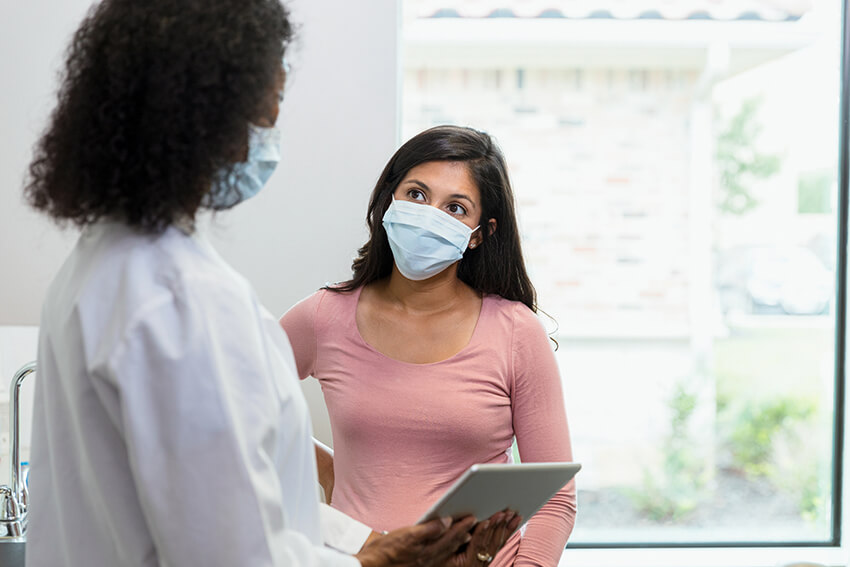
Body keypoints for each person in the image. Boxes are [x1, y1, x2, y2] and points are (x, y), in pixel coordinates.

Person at [22, 1, 520, 565]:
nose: (271, 128)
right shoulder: (183, 301)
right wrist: (366, 562)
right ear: (212, 114)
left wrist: (369, 544)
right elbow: (231, 550)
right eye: (270, 103)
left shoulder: (100, 266)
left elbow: (235, 499)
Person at [280, 125, 577, 566]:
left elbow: (555, 501)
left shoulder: (516, 332)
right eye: (417, 195)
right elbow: (237, 416)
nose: (429, 214)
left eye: (455, 207)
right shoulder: (323, 316)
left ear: (479, 233)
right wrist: (326, 469)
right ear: (389, 199)